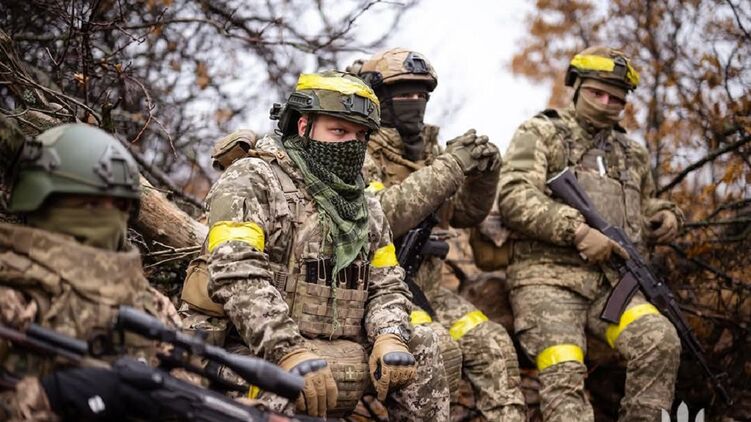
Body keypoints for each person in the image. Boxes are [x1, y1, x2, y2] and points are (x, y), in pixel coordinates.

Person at [193, 70, 448, 420]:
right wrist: (287, 350)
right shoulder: (253, 179)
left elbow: (387, 284)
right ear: (303, 126)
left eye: (361, 135)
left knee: (425, 345)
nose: (351, 144)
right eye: (339, 131)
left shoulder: (365, 204)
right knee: (280, 386)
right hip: (252, 349)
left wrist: (389, 335)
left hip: (340, 346)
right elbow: (237, 275)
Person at [498, 46, 684, 421]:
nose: (605, 104)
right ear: (577, 87)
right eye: (597, 93)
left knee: (661, 341)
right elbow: (514, 196)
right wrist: (578, 231)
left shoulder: (632, 153)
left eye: (616, 99)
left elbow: (644, 203)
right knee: (564, 370)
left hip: (612, 286)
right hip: (548, 280)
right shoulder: (542, 132)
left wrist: (665, 216)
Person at [352, 48, 526, 420]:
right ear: (377, 97)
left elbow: (463, 214)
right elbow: (384, 216)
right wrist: (451, 167)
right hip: (381, 297)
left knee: (494, 345)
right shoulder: (356, 150)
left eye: (422, 94)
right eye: (404, 94)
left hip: (430, 292)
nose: (415, 102)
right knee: (441, 350)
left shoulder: (428, 153)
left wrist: (486, 174)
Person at [0, 123, 181, 420]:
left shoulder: (152, 306)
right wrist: (49, 397)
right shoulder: (14, 297)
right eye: (92, 204)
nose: (111, 219)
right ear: (42, 201)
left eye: (121, 206)